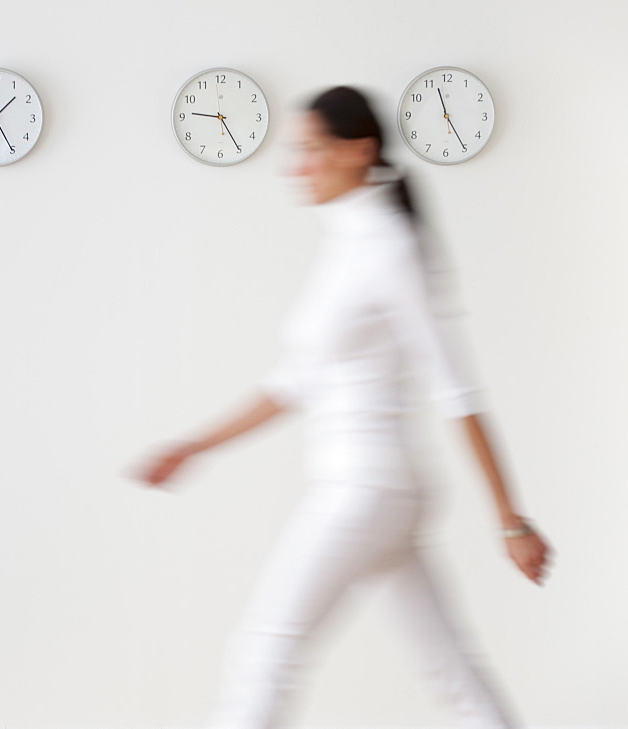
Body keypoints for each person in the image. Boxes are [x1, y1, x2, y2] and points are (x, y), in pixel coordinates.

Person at [130, 86, 552, 728]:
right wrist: (193, 447)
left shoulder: (388, 246)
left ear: (359, 150)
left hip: (365, 487)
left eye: (311, 150)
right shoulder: (349, 241)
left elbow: (455, 389)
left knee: (263, 652)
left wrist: (511, 521)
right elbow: (294, 383)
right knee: (450, 669)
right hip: (383, 490)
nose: (296, 167)